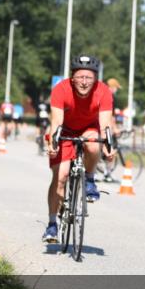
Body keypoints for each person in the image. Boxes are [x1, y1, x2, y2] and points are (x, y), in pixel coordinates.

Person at [42, 55, 117, 243]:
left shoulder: (104, 91)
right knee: (60, 177)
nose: (84, 82)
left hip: (89, 129)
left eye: (89, 78)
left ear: (96, 78)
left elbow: (105, 124)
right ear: (72, 77)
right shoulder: (60, 89)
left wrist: (109, 145)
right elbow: (56, 121)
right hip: (64, 130)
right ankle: (52, 225)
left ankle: (90, 179)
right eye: (80, 77)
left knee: (93, 143)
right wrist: (53, 143)